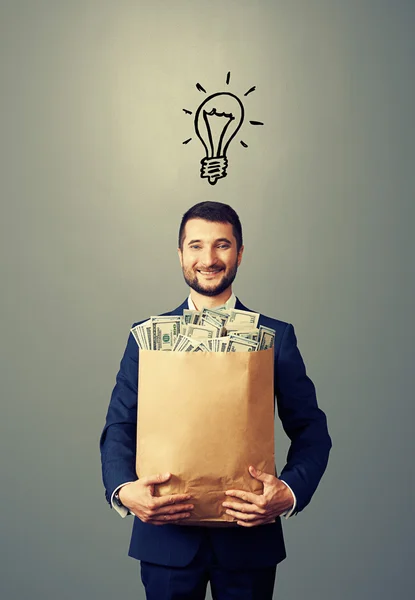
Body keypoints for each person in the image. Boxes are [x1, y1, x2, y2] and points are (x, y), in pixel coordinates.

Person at [100, 201, 332, 600]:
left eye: (221, 245)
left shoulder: (274, 337)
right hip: (165, 539)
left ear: (240, 252)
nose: (208, 259)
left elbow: (312, 430)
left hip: (249, 542)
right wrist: (123, 490)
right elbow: (120, 424)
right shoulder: (147, 337)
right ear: (180, 254)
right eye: (195, 246)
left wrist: (288, 493)